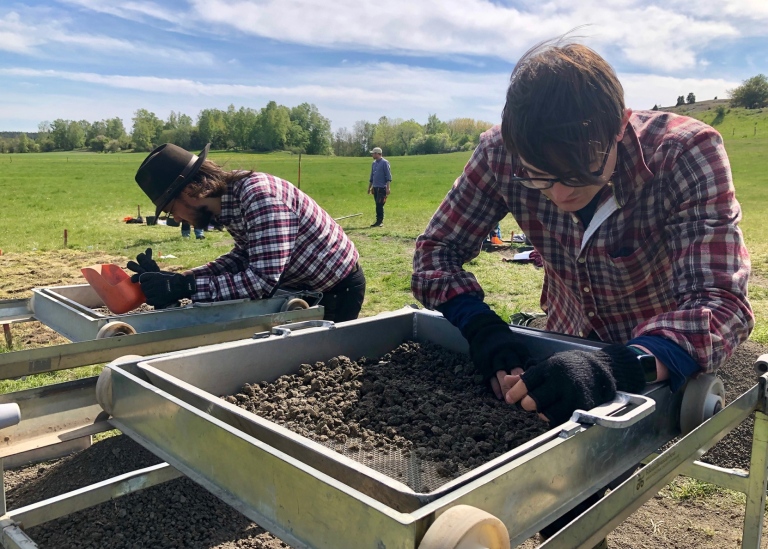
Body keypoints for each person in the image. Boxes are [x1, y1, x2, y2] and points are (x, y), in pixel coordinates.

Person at [412, 39, 753, 425]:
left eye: (579, 172)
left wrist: (620, 366)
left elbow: (720, 303)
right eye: (538, 176)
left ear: (620, 127)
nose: (560, 194)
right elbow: (435, 253)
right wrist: (483, 328)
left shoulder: (685, 153)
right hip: (565, 337)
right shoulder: (500, 152)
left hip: (660, 350)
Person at [127, 143, 366, 323]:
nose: (177, 219)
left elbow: (260, 282)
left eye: (171, 211)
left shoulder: (260, 197)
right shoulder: (229, 200)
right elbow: (244, 257)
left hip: (336, 290)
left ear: (190, 190)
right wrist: (181, 279)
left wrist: (187, 287)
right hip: (303, 287)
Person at [367, 146, 391, 227]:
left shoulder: (385, 163)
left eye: (373, 153)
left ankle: (380, 221)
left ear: (377, 154)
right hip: (375, 188)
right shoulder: (374, 163)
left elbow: (388, 176)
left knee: (379, 204)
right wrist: (369, 187)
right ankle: (378, 220)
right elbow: (372, 176)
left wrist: (388, 188)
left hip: (382, 188)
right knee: (377, 204)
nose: (372, 155)